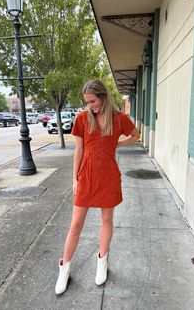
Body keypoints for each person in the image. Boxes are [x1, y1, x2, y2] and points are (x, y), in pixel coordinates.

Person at [55, 79, 139, 295]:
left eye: (92, 101)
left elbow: (135, 134)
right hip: (87, 176)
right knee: (76, 225)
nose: (90, 105)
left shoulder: (119, 118)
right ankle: (64, 267)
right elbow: (79, 150)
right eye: (87, 102)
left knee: (106, 220)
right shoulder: (83, 118)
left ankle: (102, 261)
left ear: (103, 96)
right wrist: (75, 179)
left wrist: (117, 144)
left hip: (109, 176)